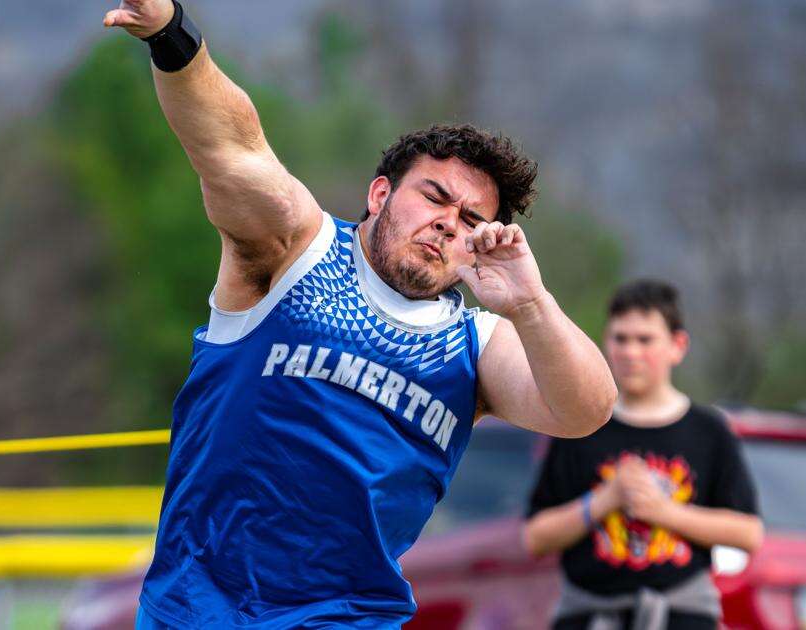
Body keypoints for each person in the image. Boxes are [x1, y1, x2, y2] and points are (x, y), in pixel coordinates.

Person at [102, 2, 617, 627]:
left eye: (471, 220)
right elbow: (231, 147)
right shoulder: (297, 250)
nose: (447, 224)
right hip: (199, 608)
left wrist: (531, 304)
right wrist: (171, 33)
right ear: (380, 194)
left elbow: (586, 410)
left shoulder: (477, 344)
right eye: (434, 197)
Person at [524, 280, 763, 630]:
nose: (630, 352)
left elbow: (748, 533)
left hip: (684, 616)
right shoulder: (580, 425)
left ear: (677, 346)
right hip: (588, 615)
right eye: (620, 339)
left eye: (645, 340)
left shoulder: (709, 430)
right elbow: (535, 537)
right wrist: (604, 500)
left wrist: (663, 511)